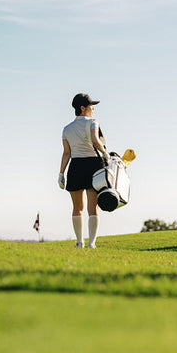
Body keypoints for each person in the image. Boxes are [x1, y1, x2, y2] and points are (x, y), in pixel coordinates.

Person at [58, 93, 109, 248]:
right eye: (91, 106)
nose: (93, 108)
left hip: (75, 166)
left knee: (77, 208)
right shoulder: (93, 122)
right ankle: (91, 243)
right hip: (93, 165)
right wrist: (105, 153)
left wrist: (61, 173)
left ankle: (79, 242)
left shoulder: (66, 129)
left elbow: (67, 153)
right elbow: (95, 140)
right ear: (82, 108)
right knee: (93, 207)